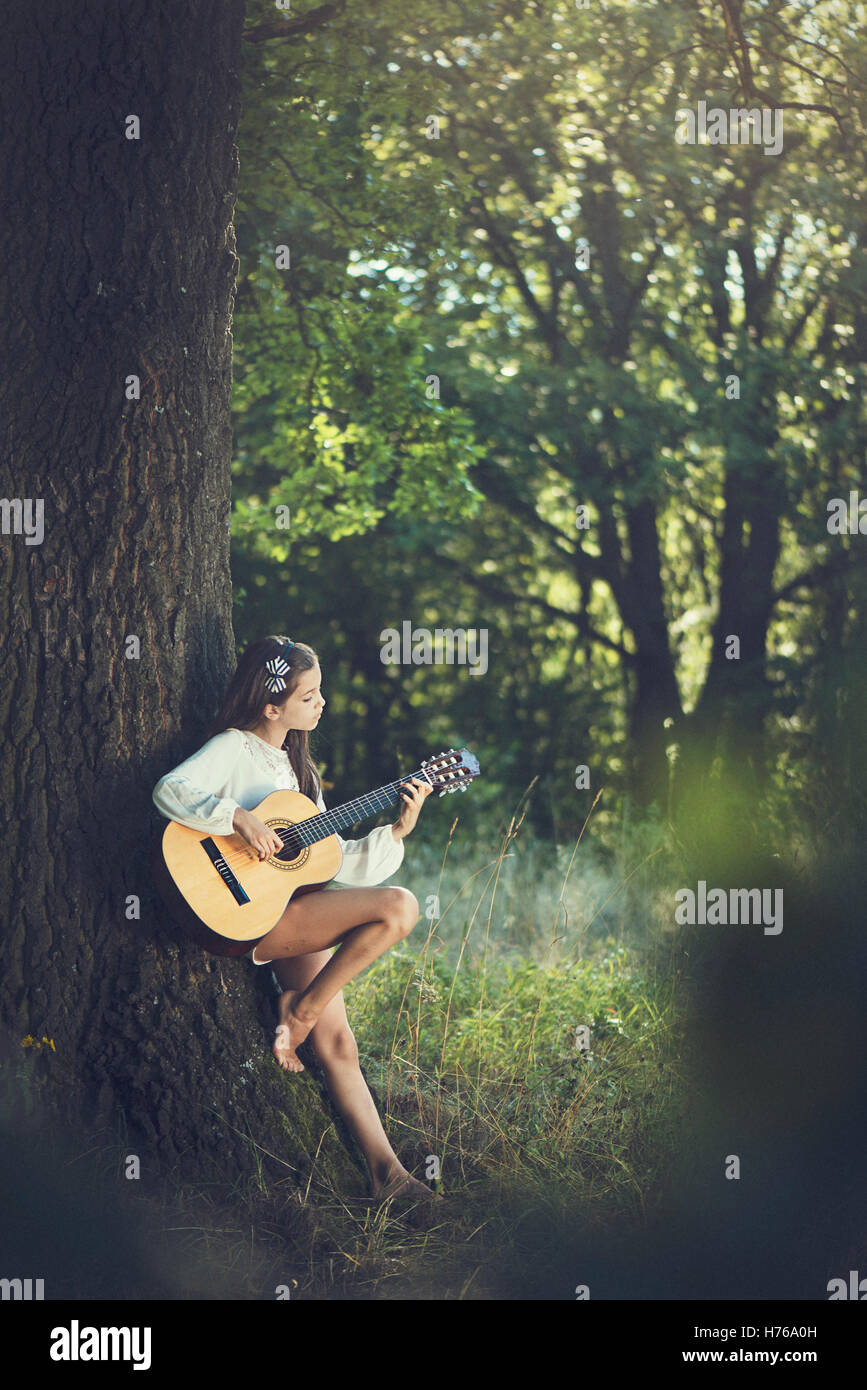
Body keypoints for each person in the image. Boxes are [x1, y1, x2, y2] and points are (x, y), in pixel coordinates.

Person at [152, 634, 438, 1209]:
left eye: (321, 692)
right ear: (271, 705)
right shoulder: (234, 748)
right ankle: (299, 1010)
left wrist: (397, 833)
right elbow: (170, 789)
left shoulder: (298, 774)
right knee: (401, 905)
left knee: (340, 1044)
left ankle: (391, 1178)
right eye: (310, 694)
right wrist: (235, 818)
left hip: (290, 909)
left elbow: (328, 861)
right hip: (245, 913)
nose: (322, 703)